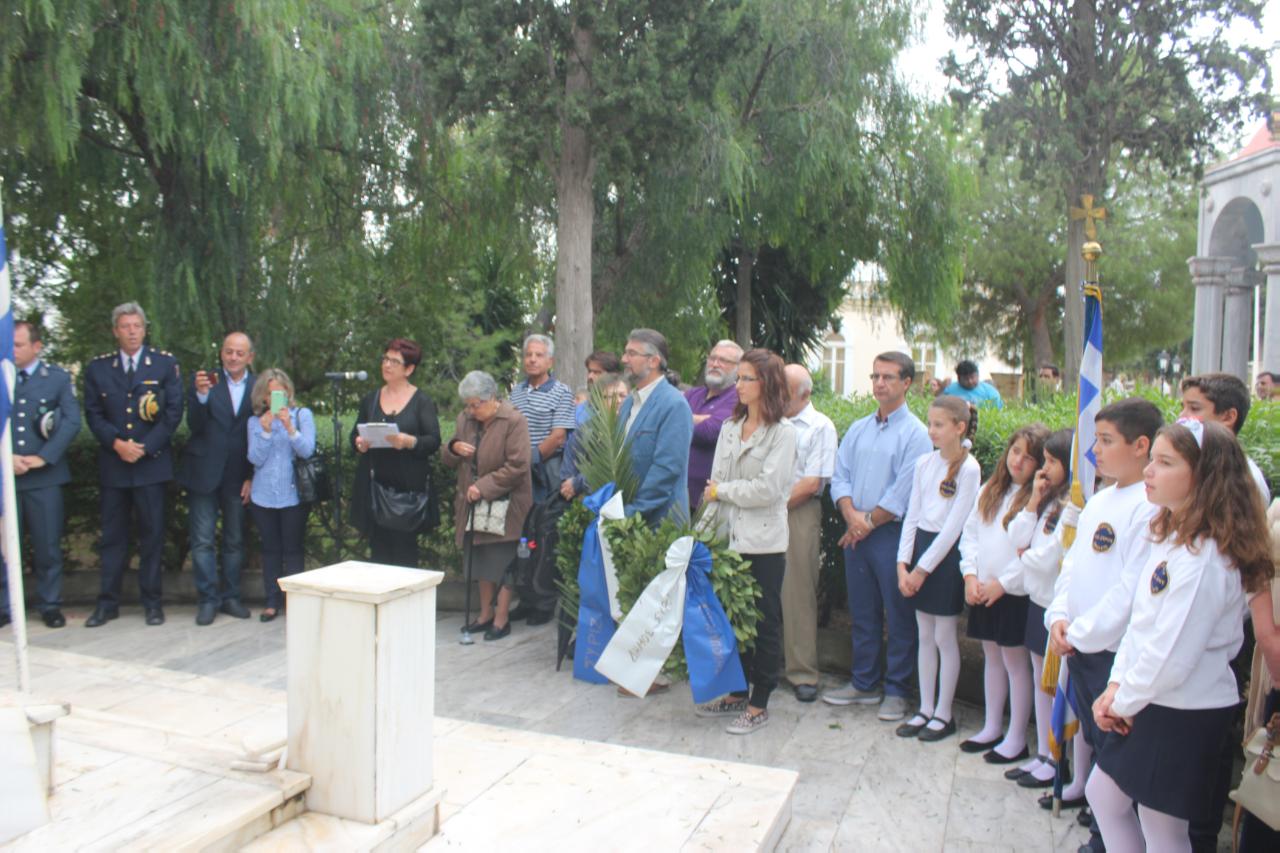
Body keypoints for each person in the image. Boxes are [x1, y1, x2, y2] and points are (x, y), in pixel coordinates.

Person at [1087, 420, 1272, 853]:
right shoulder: (1173, 536)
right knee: (1106, 797)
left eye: (1165, 462)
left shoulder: (1206, 558)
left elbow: (1172, 654)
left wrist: (1121, 701)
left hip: (1182, 708)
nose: (1149, 471)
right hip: (1150, 697)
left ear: (1204, 475)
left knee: (1163, 829)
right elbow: (1142, 624)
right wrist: (1116, 685)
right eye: (1152, 459)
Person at [1046, 397, 1162, 853]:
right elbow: (1073, 565)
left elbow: (1130, 592)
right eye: (1095, 439)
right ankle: (1102, 833)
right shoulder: (1100, 498)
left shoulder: (1148, 508)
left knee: (1116, 763)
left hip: (1111, 654)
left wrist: (1080, 633)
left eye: (1106, 441)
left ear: (1140, 445)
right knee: (1096, 744)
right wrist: (1059, 616)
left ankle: (1107, 839)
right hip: (1079, 647)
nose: (1094, 451)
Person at [824, 351, 932, 722]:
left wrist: (865, 523)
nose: (879, 383)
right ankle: (864, 682)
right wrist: (852, 516)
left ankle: (898, 690)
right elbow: (840, 476)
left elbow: (903, 491)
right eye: (875, 376)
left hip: (892, 535)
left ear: (907, 383)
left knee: (898, 615)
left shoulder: (916, 434)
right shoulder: (858, 429)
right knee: (863, 611)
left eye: (888, 377)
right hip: (858, 533)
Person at [696, 349, 796, 735]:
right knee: (731, 619)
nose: (737, 385)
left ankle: (760, 702)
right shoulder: (729, 428)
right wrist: (701, 536)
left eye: (746, 378)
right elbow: (713, 485)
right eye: (738, 378)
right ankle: (737, 692)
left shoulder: (783, 433)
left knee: (763, 622)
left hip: (763, 543)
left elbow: (767, 490)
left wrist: (723, 492)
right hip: (726, 538)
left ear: (766, 384)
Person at [82, 302, 183, 627]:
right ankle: (107, 604)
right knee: (112, 538)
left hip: (150, 465)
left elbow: (173, 413)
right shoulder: (99, 369)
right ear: (116, 331)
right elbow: (93, 414)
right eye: (125, 326)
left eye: (137, 326)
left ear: (144, 329)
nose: (132, 332)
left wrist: (144, 448)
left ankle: (152, 603)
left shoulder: (164, 364)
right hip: (115, 465)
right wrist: (117, 444)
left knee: (152, 536)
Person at [958, 424, 1047, 763]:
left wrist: (1003, 584)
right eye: (1015, 451)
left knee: (1015, 664)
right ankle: (992, 726)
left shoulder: (1037, 502)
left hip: (1013, 594)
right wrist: (970, 576)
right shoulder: (990, 490)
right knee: (992, 658)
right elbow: (971, 536)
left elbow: (1031, 553)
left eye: (1029, 457)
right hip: (983, 588)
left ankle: (1016, 737)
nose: (1018, 461)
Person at [894, 396, 980, 743]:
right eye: (930, 423)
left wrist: (921, 571)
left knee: (944, 636)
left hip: (944, 559)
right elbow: (912, 516)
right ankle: (925, 707)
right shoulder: (924, 464)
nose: (931, 430)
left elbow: (953, 529)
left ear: (959, 427)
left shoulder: (969, 469)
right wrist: (903, 565)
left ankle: (944, 712)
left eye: (939, 425)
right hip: (921, 551)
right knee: (924, 635)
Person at [1004, 428, 1075, 791]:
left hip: (1055, 604)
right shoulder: (1047, 499)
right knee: (1038, 678)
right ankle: (1044, 753)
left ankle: (1058, 757)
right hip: (1037, 601)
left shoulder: (1073, 506)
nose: (1043, 469)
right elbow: (1016, 537)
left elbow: (1050, 558)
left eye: (1051, 462)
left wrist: (1025, 555)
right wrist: (1033, 499)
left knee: (1054, 683)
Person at [0, 321, 80, 630]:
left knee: (47, 546)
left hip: (43, 477)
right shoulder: (3, 376)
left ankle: (50, 604)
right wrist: (6, 458)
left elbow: (71, 421)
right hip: (5, 477)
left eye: (18, 345)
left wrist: (43, 457)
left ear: (37, 347)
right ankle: (6, 605)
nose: (12, 350)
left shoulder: (56, 378)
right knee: (6, 546)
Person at [442, 371, 532, 641]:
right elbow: (447, 457)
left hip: (506, 505)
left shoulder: (513, 420)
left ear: (492, 398)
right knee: (479, 559)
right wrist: (454, 448)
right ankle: (485, 614)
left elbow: (518, 465)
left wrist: (483, 486)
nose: (471, 410)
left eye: (476, 405)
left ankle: (502, 618)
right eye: (467, 405)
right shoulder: (465, 419)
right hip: (472, 504)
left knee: (502, 563)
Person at [177, 332, 255, 625]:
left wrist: (252, 475)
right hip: (203, 472)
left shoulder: (259, 386)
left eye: (239, 353)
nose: (233, 357)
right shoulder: (206, 381)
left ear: (249, 357)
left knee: (235, 541)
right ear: (221, 353)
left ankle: (231, 597)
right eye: (228, 351)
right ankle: (207, 599)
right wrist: (200, 397)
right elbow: (194, 425)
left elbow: (264, 433)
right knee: (202, 540)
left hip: (238, 475)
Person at [350, 339, 442, 568]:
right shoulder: (371, 399)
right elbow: (355, 435)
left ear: (409, 369)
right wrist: (360, 443)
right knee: (378, 559)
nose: (387, 365)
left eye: (394, 361)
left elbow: (433, 440)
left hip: (407, 496)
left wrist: (409, 441)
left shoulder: (421, 401)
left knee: (405, 560)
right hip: (376, 491)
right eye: (385, 359)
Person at [780, 364, 838, 703]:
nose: (777, 394)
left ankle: (802, 673)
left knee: (798, 593)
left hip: (798, 512)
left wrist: (770, 506)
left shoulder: (821, 426)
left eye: (785, 389)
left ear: (805, 394)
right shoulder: (769, 420)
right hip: (761, 512)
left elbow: (812, 482)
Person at [246, 369, 315, 622]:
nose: (276, 398)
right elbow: (254, 458)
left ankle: (295, 602)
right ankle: (271, 601)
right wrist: (265, 431)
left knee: (293, 548)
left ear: (288, 393)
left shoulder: (302, 415)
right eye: (271, 393)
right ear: (263, 397)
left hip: (293, 494)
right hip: (263, 495)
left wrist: (290, 428)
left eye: (281, 392)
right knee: (270, 549)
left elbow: (307, 450)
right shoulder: (254, 422)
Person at [616, 329, 694, 525]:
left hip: (660, 526)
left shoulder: (674, 405)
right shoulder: (628, 403)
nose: (624, 359)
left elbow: (667, 470)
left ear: (653, 361)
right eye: (625, 352)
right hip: (625, 518)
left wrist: (631, 513)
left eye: (631, 353)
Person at [1179, 372, 1270, 502]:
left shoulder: (1243, 480)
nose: (1182, 416)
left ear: (1228, 417)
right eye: (1183, 408)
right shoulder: (1191, 464)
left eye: (1194, 408)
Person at [509, 334, 576, 502]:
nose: (532, 359)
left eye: (539, 355)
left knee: (544, 515)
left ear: (550, 362)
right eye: (528, 355)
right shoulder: (516, 392)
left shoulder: (562, 392)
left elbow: (558, 437)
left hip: (547, 469)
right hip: (517, 469)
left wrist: (530, 459)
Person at [685, 340, 743, 510]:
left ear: (738, 369)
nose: (715, 364)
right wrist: (702, 418)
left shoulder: (738, 399)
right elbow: (667, 425)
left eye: (723, 360)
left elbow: (710, 431)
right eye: (712, 358)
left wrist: (682, 419)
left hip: (708, 502)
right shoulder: (692, 394)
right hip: (677, 495)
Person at [560, 373, 629, 500]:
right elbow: (567, 478)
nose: (618, 401)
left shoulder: (633, 429)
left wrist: (579, 482)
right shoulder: (585, 432)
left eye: (622, 395)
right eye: (611, 397)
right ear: (598, 400)